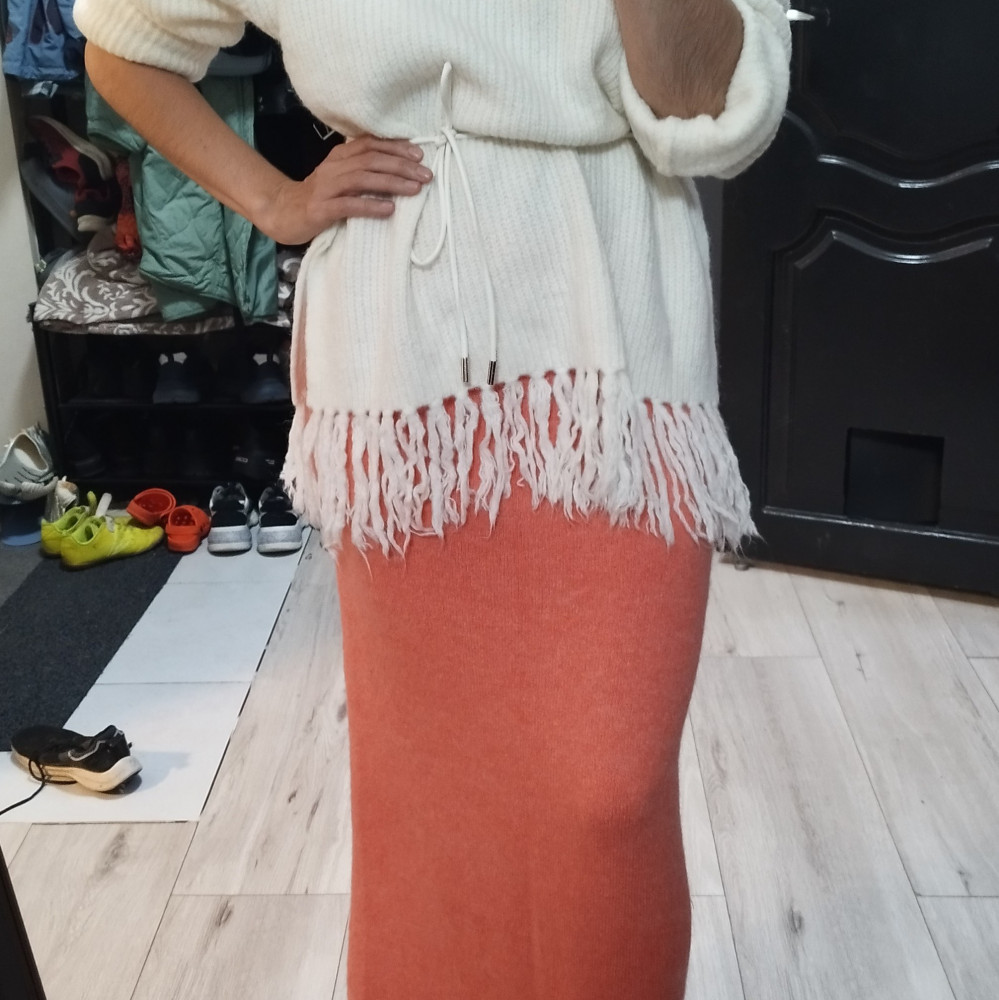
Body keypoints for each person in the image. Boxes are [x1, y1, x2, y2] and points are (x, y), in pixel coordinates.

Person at [76, 2, 792, 997]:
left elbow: (708, 112)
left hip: (619, 344)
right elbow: (124, 44)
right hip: (405, 357)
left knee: (611, 793)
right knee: (432, 794)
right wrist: (274, 200)